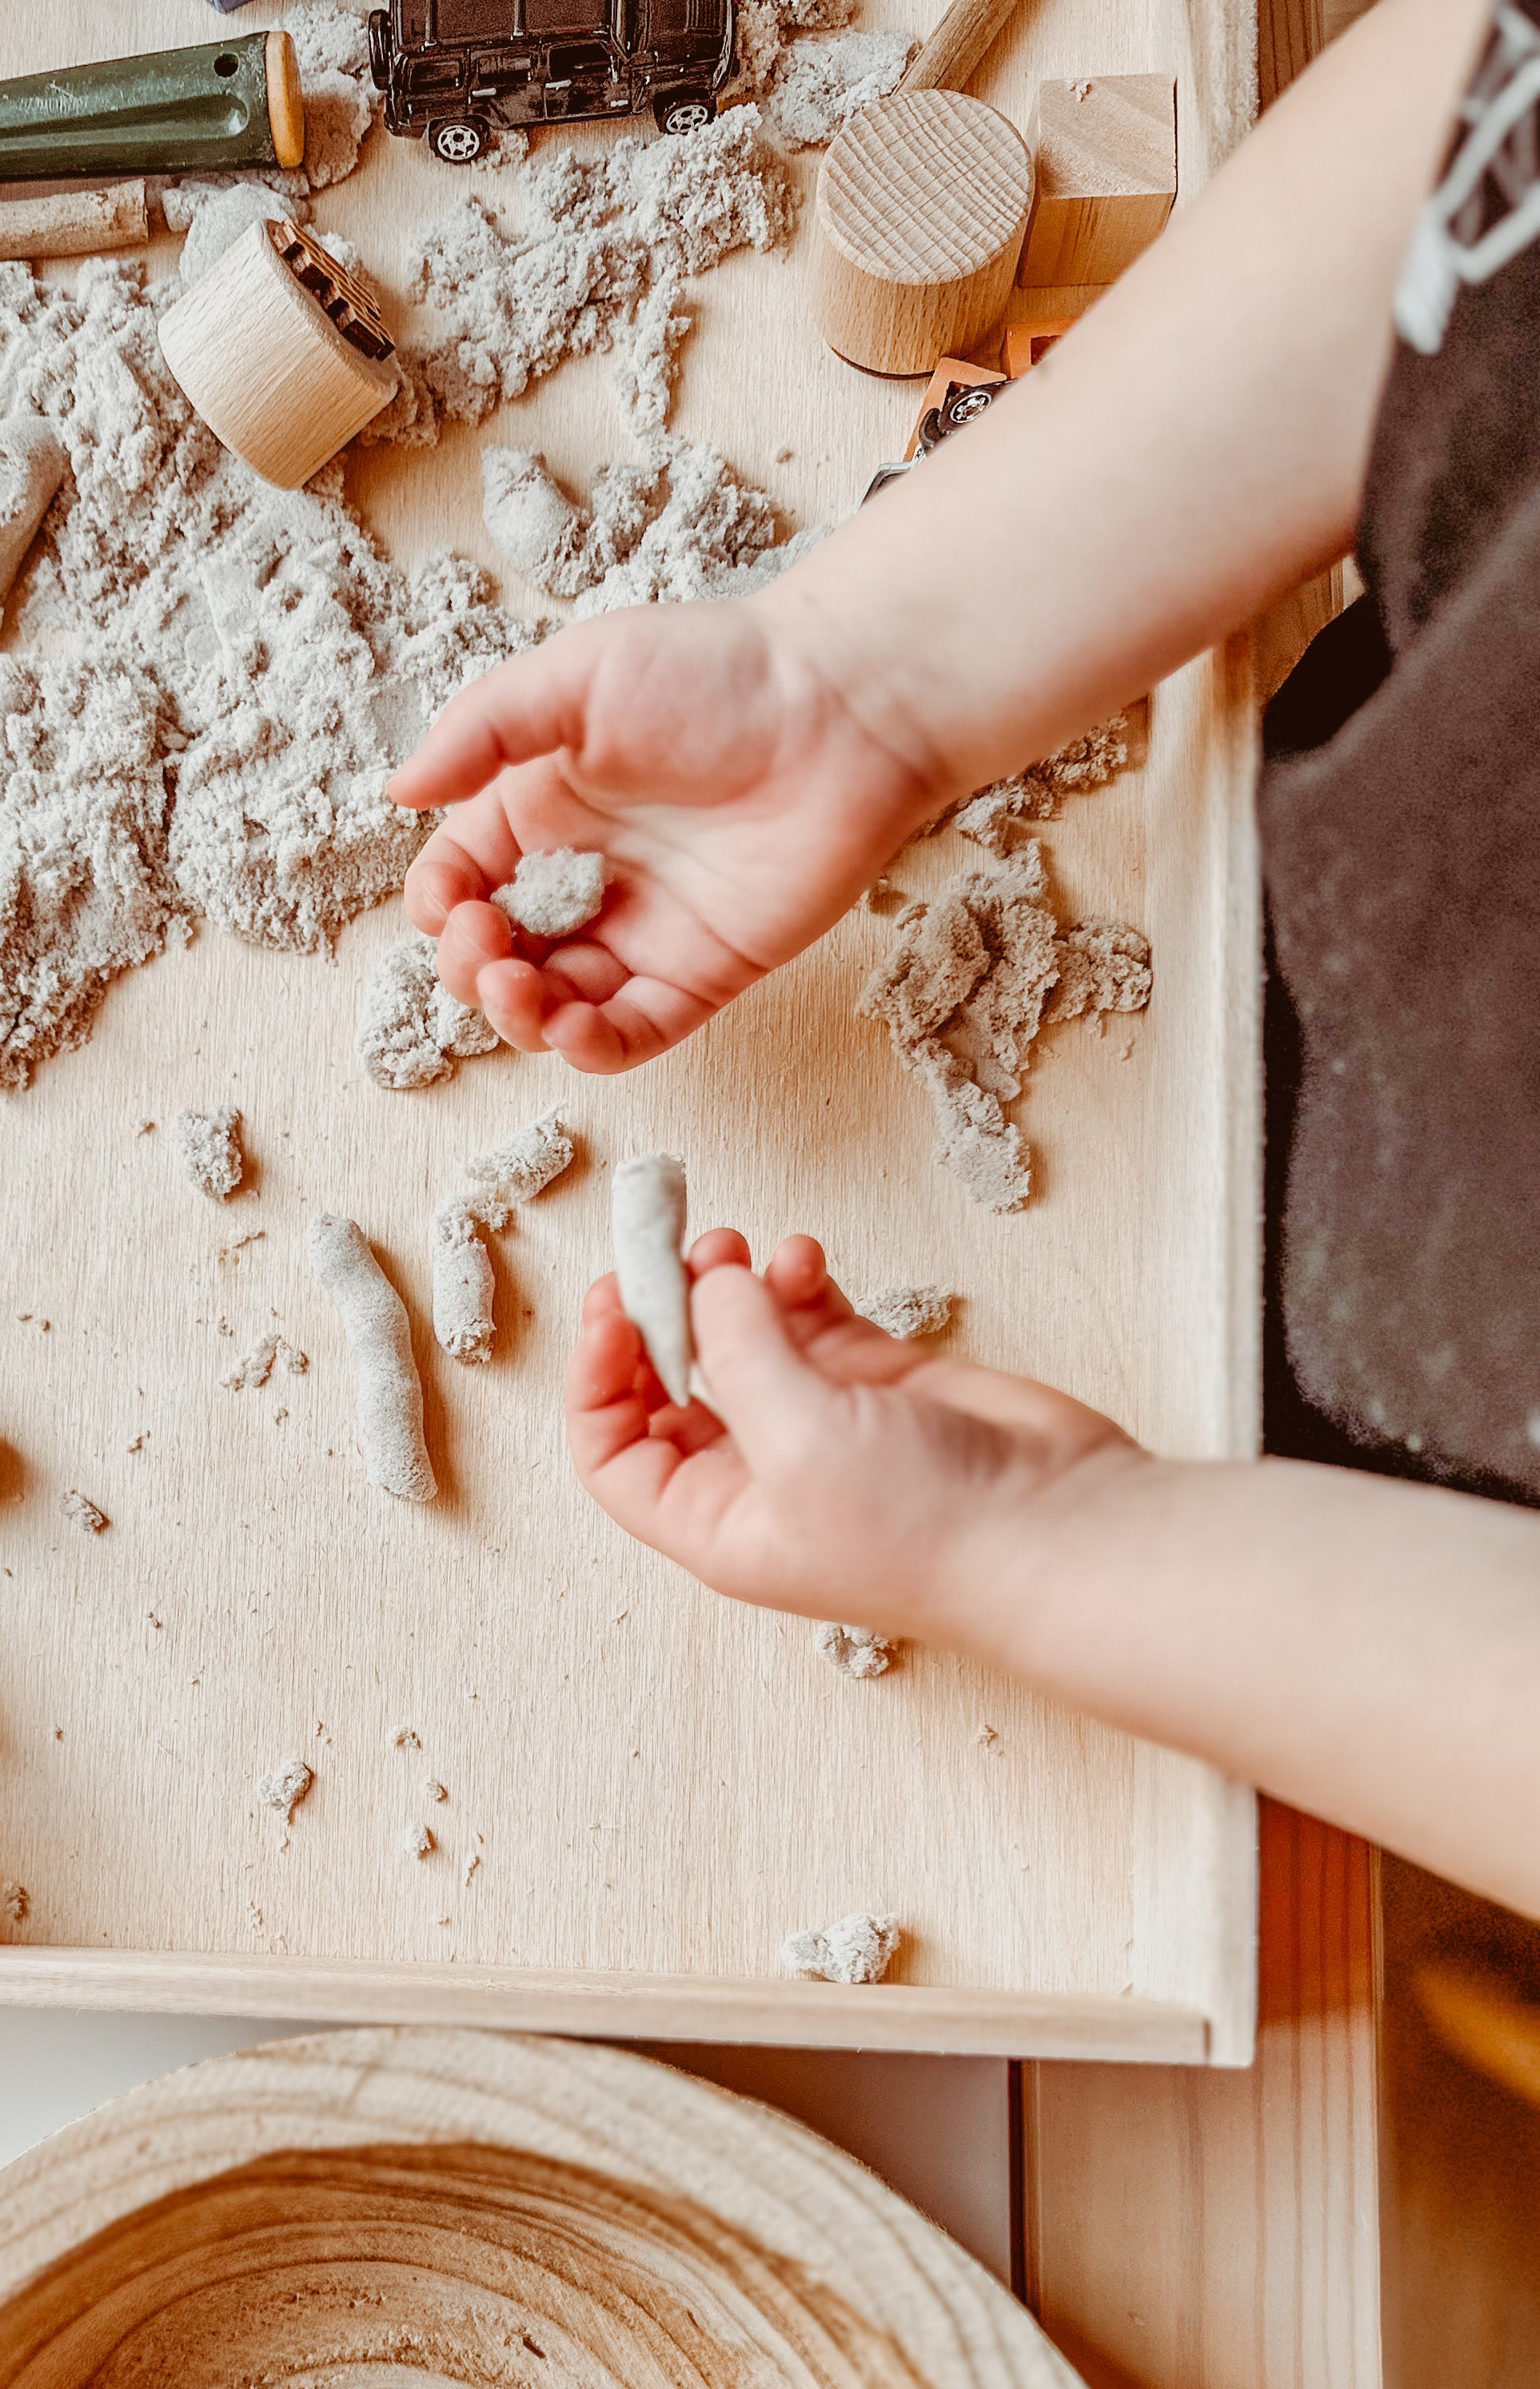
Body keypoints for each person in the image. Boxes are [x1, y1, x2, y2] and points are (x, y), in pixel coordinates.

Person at [389, 0, 1540, 1921]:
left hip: (1395, 1585)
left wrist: (1046, 1542)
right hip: (1366, 931)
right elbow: (1487, 141)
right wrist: (865, 675)